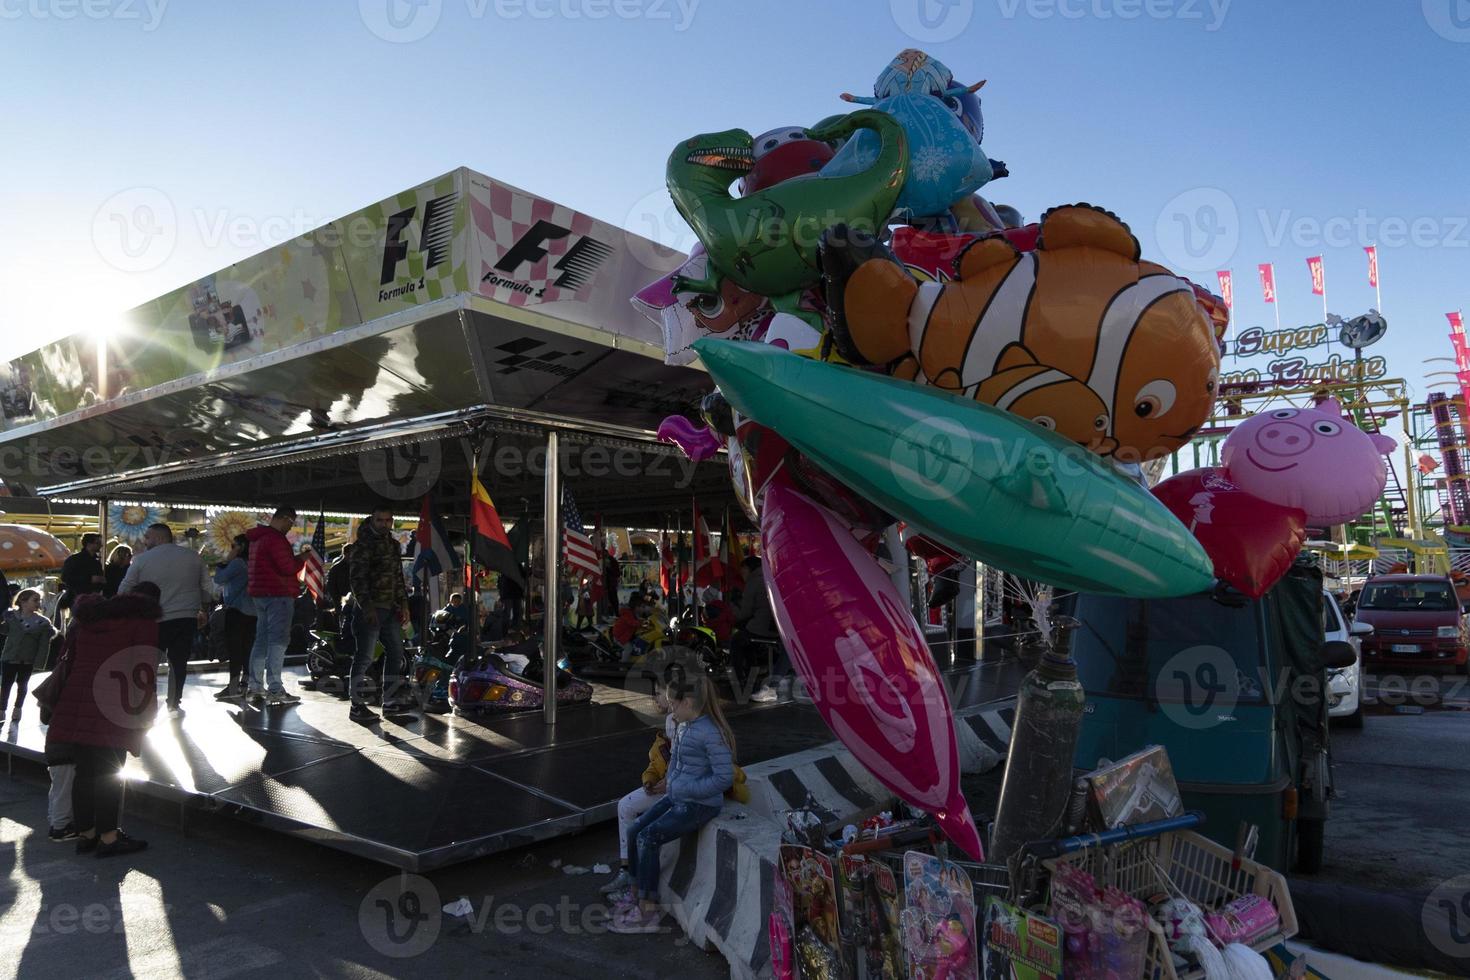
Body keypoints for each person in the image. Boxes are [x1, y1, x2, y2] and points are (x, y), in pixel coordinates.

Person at [610, 671, 736, 934]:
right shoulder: (682, 726)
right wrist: (668, 783)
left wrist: (686, 787)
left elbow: (724, 778)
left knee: (648, 837)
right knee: (635, 830)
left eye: (673, 703)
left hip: (701, 804)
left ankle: (647, 908)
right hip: (678, 796)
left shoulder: (711, 733)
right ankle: (635, 891)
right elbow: (676, 763)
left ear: (688, 703)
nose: (668, 708)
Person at [44, 582, 161, 859]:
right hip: (114, 703)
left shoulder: (89, 618)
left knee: (84, 772)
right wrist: (146, 713)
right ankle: (109, 839)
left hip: (77, 699)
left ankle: (86, 835)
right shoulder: (143, 623)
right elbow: (143, 672)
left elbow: (68, 658)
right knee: (109, 773)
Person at [118, 523, 214, 718]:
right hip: (186, 617)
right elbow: (207, 588)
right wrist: (203, 610)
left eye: (147, 537)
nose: (144, 541)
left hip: (155, 619)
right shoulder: (193, 557)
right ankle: (174, 702)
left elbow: (124, 589)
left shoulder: (141, 560)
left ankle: (146, 702)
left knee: (149, 661)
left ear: (159, 537)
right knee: (179, 662)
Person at [600, 689, 676, 896]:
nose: (654, 699)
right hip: (667, 787)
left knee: (644, 833)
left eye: (659, 693)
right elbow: (655, 764)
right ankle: (627, 871)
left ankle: (642, 895)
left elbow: (693, 766)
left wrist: (671, 782)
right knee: (626, 806)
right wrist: (649, 780)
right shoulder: (664, 731)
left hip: (684, 791)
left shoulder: (686, 725)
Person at [348, 503, 410, 722]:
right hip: (370, 609)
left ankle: (391, 702)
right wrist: (367, 607)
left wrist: (403, 604)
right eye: (379, 520)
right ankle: (356, 706)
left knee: (396, 653)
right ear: (371, 520)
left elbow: (398, 577)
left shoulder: (393, 545)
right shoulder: (362, 545)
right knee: (364, 657)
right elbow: (357, 579)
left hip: (390, 608)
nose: (384, 524)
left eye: (387, 520)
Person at [244, 507, 308, 707]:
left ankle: (254, 687)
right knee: (278, 641)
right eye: (291, 521)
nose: (291, 526)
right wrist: (301, 559)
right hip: (278, 594)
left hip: (260, 594)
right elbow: (287, 567)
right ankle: (275, 688)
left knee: (261, 641)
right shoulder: (276, 539)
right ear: (282, 518)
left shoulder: (257, 538)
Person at [1, 588, 58, 725]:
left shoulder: (42, 623)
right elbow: (4, 631)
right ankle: (2, 709)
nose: (38, 603)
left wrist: (39, 663)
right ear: (23, 601)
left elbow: (44, 645)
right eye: (35, 600)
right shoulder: (11, 617)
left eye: (39, 600)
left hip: (27, 660)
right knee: (6, 685)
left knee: (22, 685)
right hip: (9, 657)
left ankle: (18, 708)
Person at [732, 556, 785, 702]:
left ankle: (740, 679)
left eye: (743, 571)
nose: (742, 575)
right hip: (777, 627)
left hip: (763, 628)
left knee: (736, 640)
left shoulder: (754, 581)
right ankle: (754, 673)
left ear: (749, 569)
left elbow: (745, 613)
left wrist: (733, 608)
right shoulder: (772, 576)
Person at [212, 533, 256, 702]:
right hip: (254, 612)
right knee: (247, 650)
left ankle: (232, 687)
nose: (230, 549)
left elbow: (219, 578)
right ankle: (245, 685)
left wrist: (224, 562)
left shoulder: (237, 563)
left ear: (241, 547)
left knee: (235, 650)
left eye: (233, 546)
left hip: (237, 611)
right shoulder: (253, 563)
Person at [57, 533, 105, 615]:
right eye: (98, 543)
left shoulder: (96, 562)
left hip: (91, 598)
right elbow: (65, 577)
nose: (101, 545)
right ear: (89, 544)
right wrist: (90, 579)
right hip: (77, 597)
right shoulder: (74, 560)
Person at [326, 544, 353, 611]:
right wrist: (338, 602)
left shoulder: (355, 566)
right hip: (341, 602)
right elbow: (331, 587)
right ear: (346, 553)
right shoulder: (336, 568)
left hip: (354, 601)